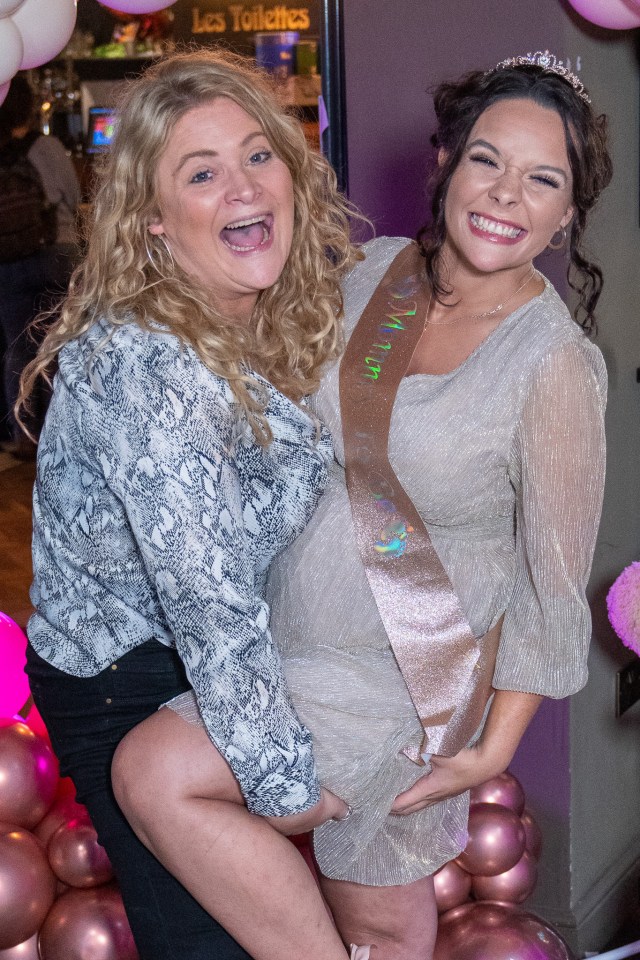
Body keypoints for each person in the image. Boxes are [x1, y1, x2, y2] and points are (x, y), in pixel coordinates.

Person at [111, 52, 611, 960]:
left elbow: (554, 583)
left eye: (543, 178)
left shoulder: (555, 365)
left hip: (404, 681)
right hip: (289, 635)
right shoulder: (377, 272)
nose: (506, 194)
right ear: (445, 165)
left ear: (568, 211)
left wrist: (488, 753)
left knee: (155, 772)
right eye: (486, 160)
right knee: (375, 921)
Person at [20, 48, 361, 960]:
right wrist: (290, 786)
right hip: (124, 680)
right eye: (201, 174)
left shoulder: (274, 312)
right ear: (154, 222)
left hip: (226, 652)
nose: (243, 187)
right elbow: (208, 601)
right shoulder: (143, 360)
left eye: (259, 155)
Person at [0, 74, 80, 456]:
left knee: (18, 346)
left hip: (9, 259)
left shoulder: (2, 151)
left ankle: (22, 434)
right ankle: (60, 430)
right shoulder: (45, 145)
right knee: (61, 344)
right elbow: (74, 193)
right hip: (55, 253)